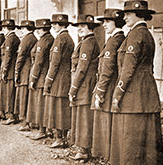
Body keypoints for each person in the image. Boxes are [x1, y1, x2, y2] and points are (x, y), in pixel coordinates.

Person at [110, 1, 163, 164]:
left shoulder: (135, 35)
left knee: (131, 141)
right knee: (146, 140)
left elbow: (128, 69)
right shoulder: (145, 34)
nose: (124, 17)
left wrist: (117, 95)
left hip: (133, 94)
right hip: (146, 92)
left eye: (128, 14)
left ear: (138, 14)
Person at [91, 9, 125, 161]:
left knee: (107, 122)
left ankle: (108, 156)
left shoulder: (115, 40)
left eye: (107, 22)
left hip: (109, 86)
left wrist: (100, 91)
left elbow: (108, 68)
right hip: (110, 85)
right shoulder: (116, 38)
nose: (104, 25)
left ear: (116, 22)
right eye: (103, 22)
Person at [68, 14, 100, 160]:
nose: (79, 29)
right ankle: (82, 147)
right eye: (78, 26)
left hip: (85, 84)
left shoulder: (88, 42)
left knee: (84, 117)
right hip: (82, 83)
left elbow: (82, 67)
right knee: (82, 116)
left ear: (90, 28)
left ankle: (84, 149)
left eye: (82, 26)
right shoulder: (85, 41)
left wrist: (74, 87)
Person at [43, 14, 74, 148]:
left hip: (58, 79)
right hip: (65, 78)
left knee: (58, 109)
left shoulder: (60, 39)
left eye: (55, 24)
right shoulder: (69, 39)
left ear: (61, 25)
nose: (53, 26)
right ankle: (62, 137)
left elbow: (54, 63)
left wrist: (48, 81)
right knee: (63, 109)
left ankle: (60, 138)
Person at [26, 19, 54, 139]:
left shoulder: (44, 41)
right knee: (42, 105)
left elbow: (38, 62)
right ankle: (46, 130)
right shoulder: (48, 39)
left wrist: (33, 78)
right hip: (43, 76)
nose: (37, 31)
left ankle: (42, 131)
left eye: (39, 29)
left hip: (41, 77)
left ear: (44, 29)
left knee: (40, 105)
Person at [14, 20, 37, 130]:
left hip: (24, 71)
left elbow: (21, 57)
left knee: (23, 97)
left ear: (27, 29)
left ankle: (24, 122)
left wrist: (17, 71)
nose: (21, 31)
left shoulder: (26, 40)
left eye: (22, 29)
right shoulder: (34, 38)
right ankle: (29, 121)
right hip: (29, 71)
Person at [0, 19, 20, 125]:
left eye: (4, 28)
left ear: (7, 28)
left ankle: (11, 116)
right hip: (9, 69)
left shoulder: (10, 39)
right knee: (8, 93)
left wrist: (4, 71)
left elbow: (7, 56)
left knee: (10, 94)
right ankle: (10, 114)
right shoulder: (11, 38)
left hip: (10, 70)